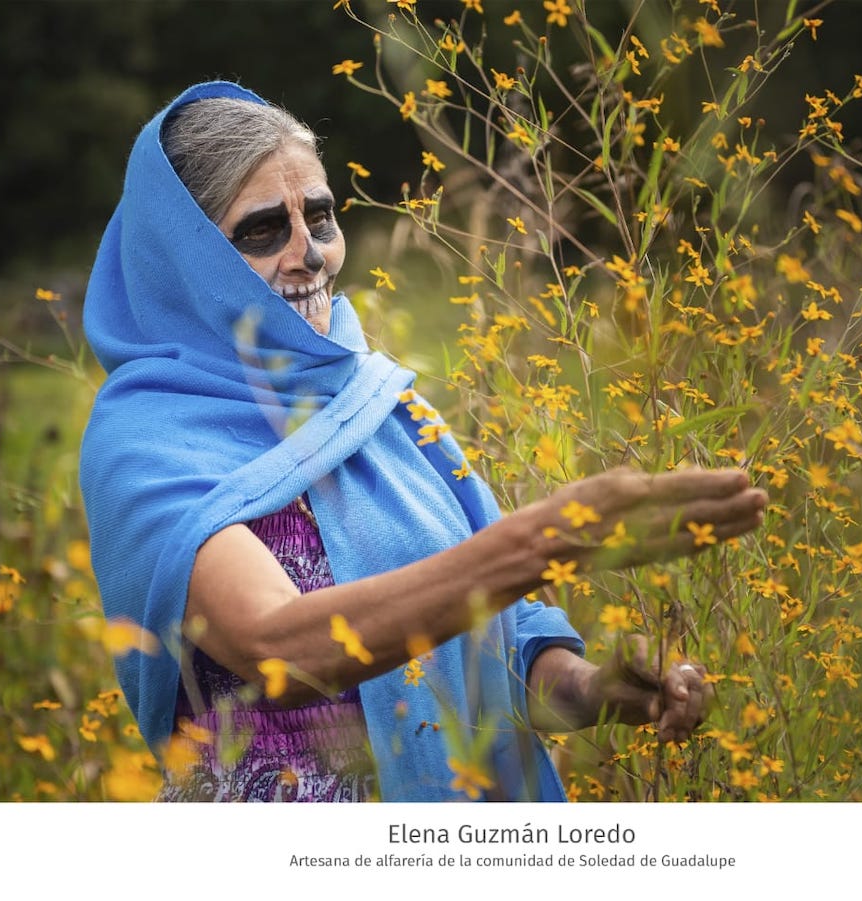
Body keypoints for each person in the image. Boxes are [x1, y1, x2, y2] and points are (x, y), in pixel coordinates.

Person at [79, 81, 767, 802]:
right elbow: (278, 648)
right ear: (183, 263)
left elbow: (501, 643)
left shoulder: (376, 401)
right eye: (261, 231)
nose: (308, 254)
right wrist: (548, 540)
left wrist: (595, 690)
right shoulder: (144, 442)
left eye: (318, 217)